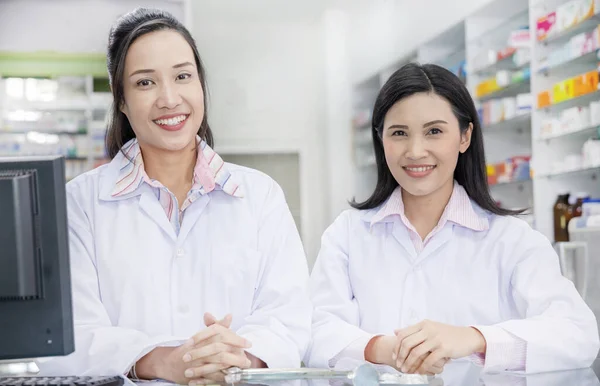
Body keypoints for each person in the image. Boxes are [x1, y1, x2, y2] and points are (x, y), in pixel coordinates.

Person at [38, 8, 311, 385]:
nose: (169, 99)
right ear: (120, 100)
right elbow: (66, 337)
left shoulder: (261, 196)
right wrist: (161, 361)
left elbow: (291, 319)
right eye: (145, 83)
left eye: (183, 76)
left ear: (200, 85)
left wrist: (238, 356)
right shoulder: (78, 204)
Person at [306, 62, 600, 375]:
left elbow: (577, 335)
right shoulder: (348, 234)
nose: (416, 151)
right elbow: (313, 331)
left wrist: (474, 338)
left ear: (465, 136)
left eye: (434, 131)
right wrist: (386, 350)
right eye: (399, 133)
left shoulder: (512, 239)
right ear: (381, 140)